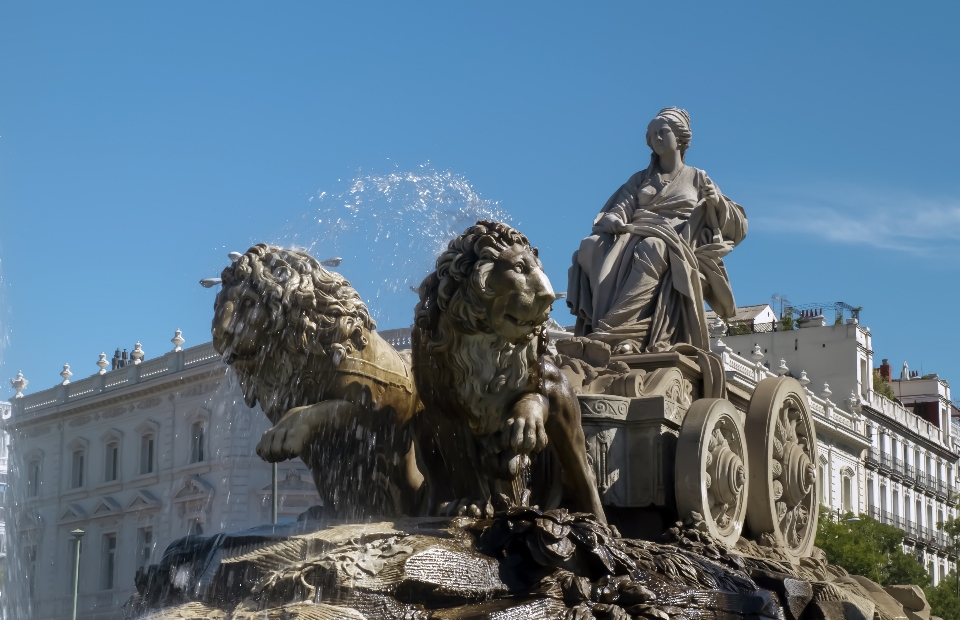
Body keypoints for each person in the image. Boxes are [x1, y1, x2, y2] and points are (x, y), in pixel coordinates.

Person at [567, 107, 747, 353]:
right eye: (652, 134)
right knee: (590, 246)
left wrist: (716, 201)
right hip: (634, 232)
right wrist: (613, 220)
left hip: (676, 240)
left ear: (680, 138)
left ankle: (615, 331)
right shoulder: (640, 179)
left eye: (663, 132)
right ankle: (602, 323)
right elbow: (620, 208)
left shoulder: (696, 177)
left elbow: (738, 225)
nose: (656, 138)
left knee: (652, 246)